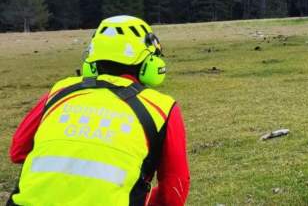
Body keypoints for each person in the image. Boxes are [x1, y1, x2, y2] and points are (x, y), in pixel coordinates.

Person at [7, 15, 190, 206]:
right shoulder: (160, 108)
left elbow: (18, 152)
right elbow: (173, 192)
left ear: (91, 61)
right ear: (149, 63)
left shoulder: (60, 91)